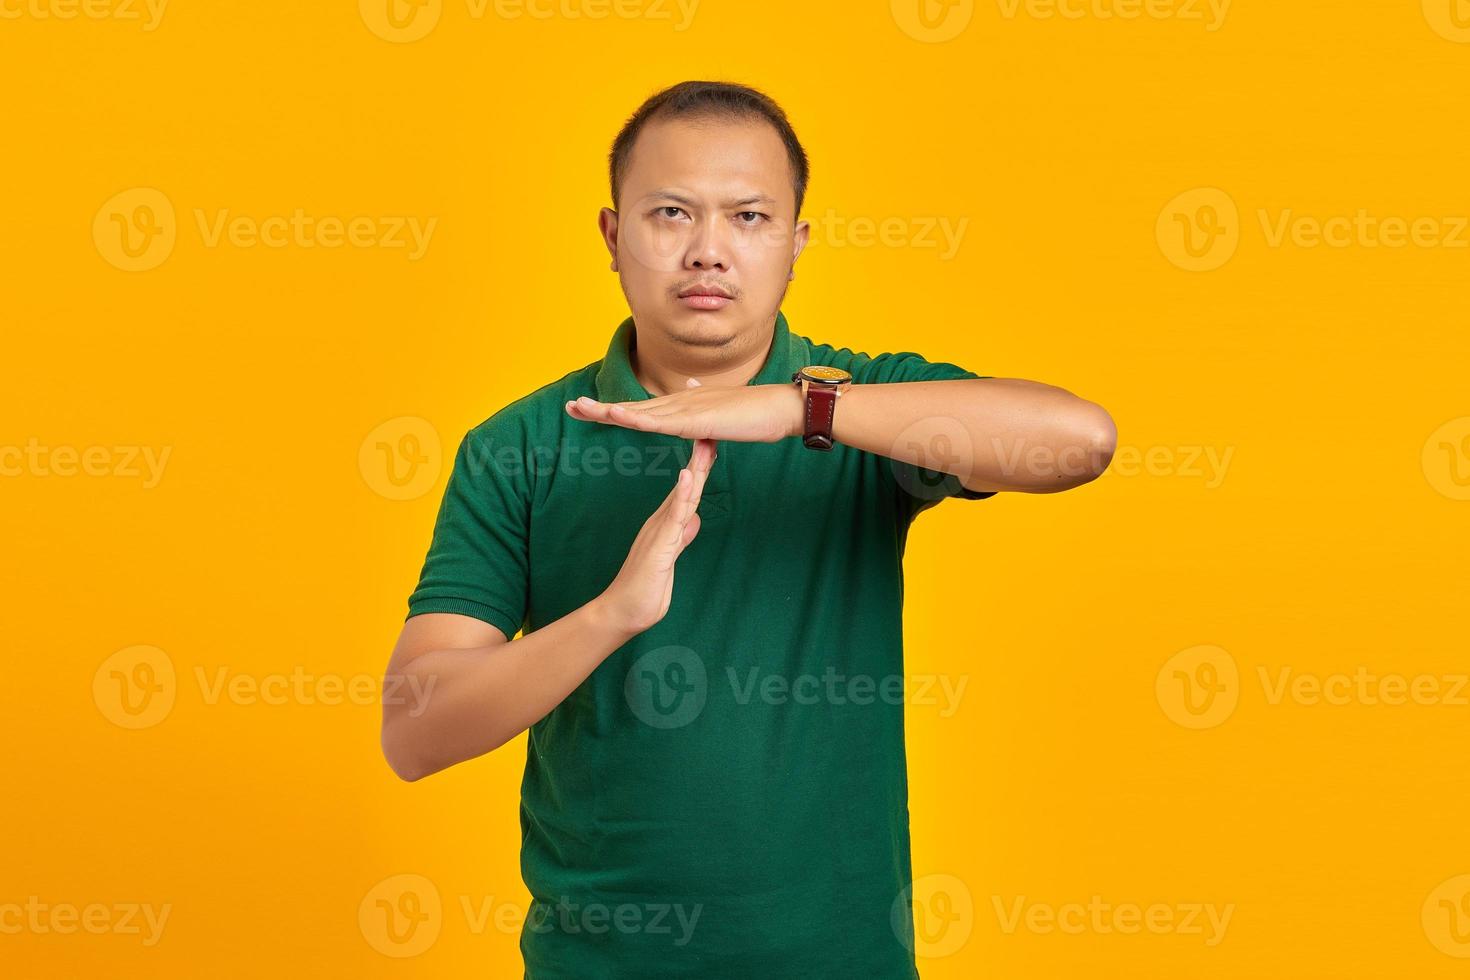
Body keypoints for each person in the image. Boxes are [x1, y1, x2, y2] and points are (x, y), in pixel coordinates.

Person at [380, 79, 1116, 978]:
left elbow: (1080, 442)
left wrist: (804, 409)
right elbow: (415, 733)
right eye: (671, 214)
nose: (708, 252)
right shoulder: (520, 446)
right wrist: (609, 614)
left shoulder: (866, 404)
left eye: (751, 217)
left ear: (796, 245)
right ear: (613, 237)